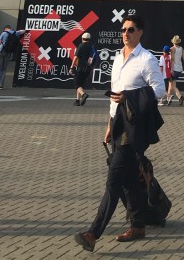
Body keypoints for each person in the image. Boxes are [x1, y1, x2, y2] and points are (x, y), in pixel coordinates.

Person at [74, 14, 165, 252]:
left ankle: (93, 233)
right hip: (117, 124)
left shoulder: (146, 59)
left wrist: (130, 97)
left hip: (132, 127)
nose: (126, 33)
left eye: (131, 29)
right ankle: (138, 225)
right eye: (123, 30)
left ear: (140, 32)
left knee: (113, 180)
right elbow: (114, 95)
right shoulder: (117, 58)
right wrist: (108, 124)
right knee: (128, 180)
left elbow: (159, 90)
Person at [0, 24, 24, 89]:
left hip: (1, 51)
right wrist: (15, 31)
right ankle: (1, 85)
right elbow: (23, 31)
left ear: (6, 29)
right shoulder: (15, 33)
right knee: (4, 69)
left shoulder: (4, 33)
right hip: (9, 52)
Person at [70, 32, 95, 106]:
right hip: (88, 68)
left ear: (82, 38)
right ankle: (77, 100)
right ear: (89, 39)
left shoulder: (81, 45)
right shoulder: (92, 46)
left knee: (76, 83)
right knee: (80, 84)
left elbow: (75, 57)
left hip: (81, 67)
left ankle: (83, 94)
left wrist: (72, 67)